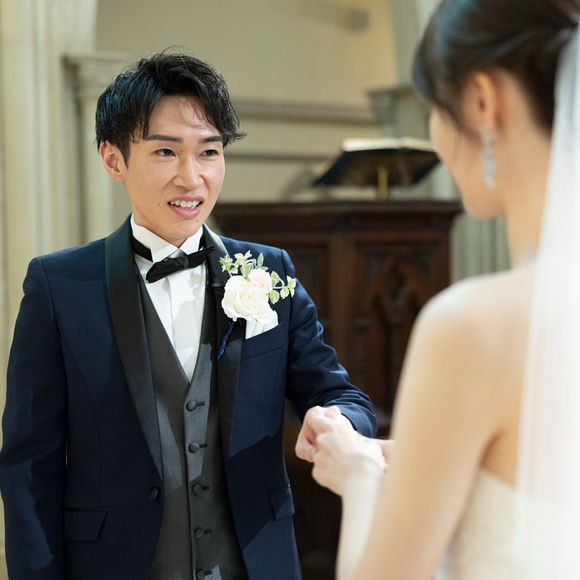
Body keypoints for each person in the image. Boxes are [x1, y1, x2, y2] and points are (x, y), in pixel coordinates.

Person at [0, 53, 377, 580]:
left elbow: (344, 397)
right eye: (165, 151)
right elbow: (29, 466)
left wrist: (337, 421)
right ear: (113, 160)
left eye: (209, 152)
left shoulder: (269, 272)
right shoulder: (59, 286)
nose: (191, 177)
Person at [306, 1, 580, 579]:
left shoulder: (474, 326)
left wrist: (359, 477)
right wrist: (417, 459)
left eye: (433, 105)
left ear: (482, 100)